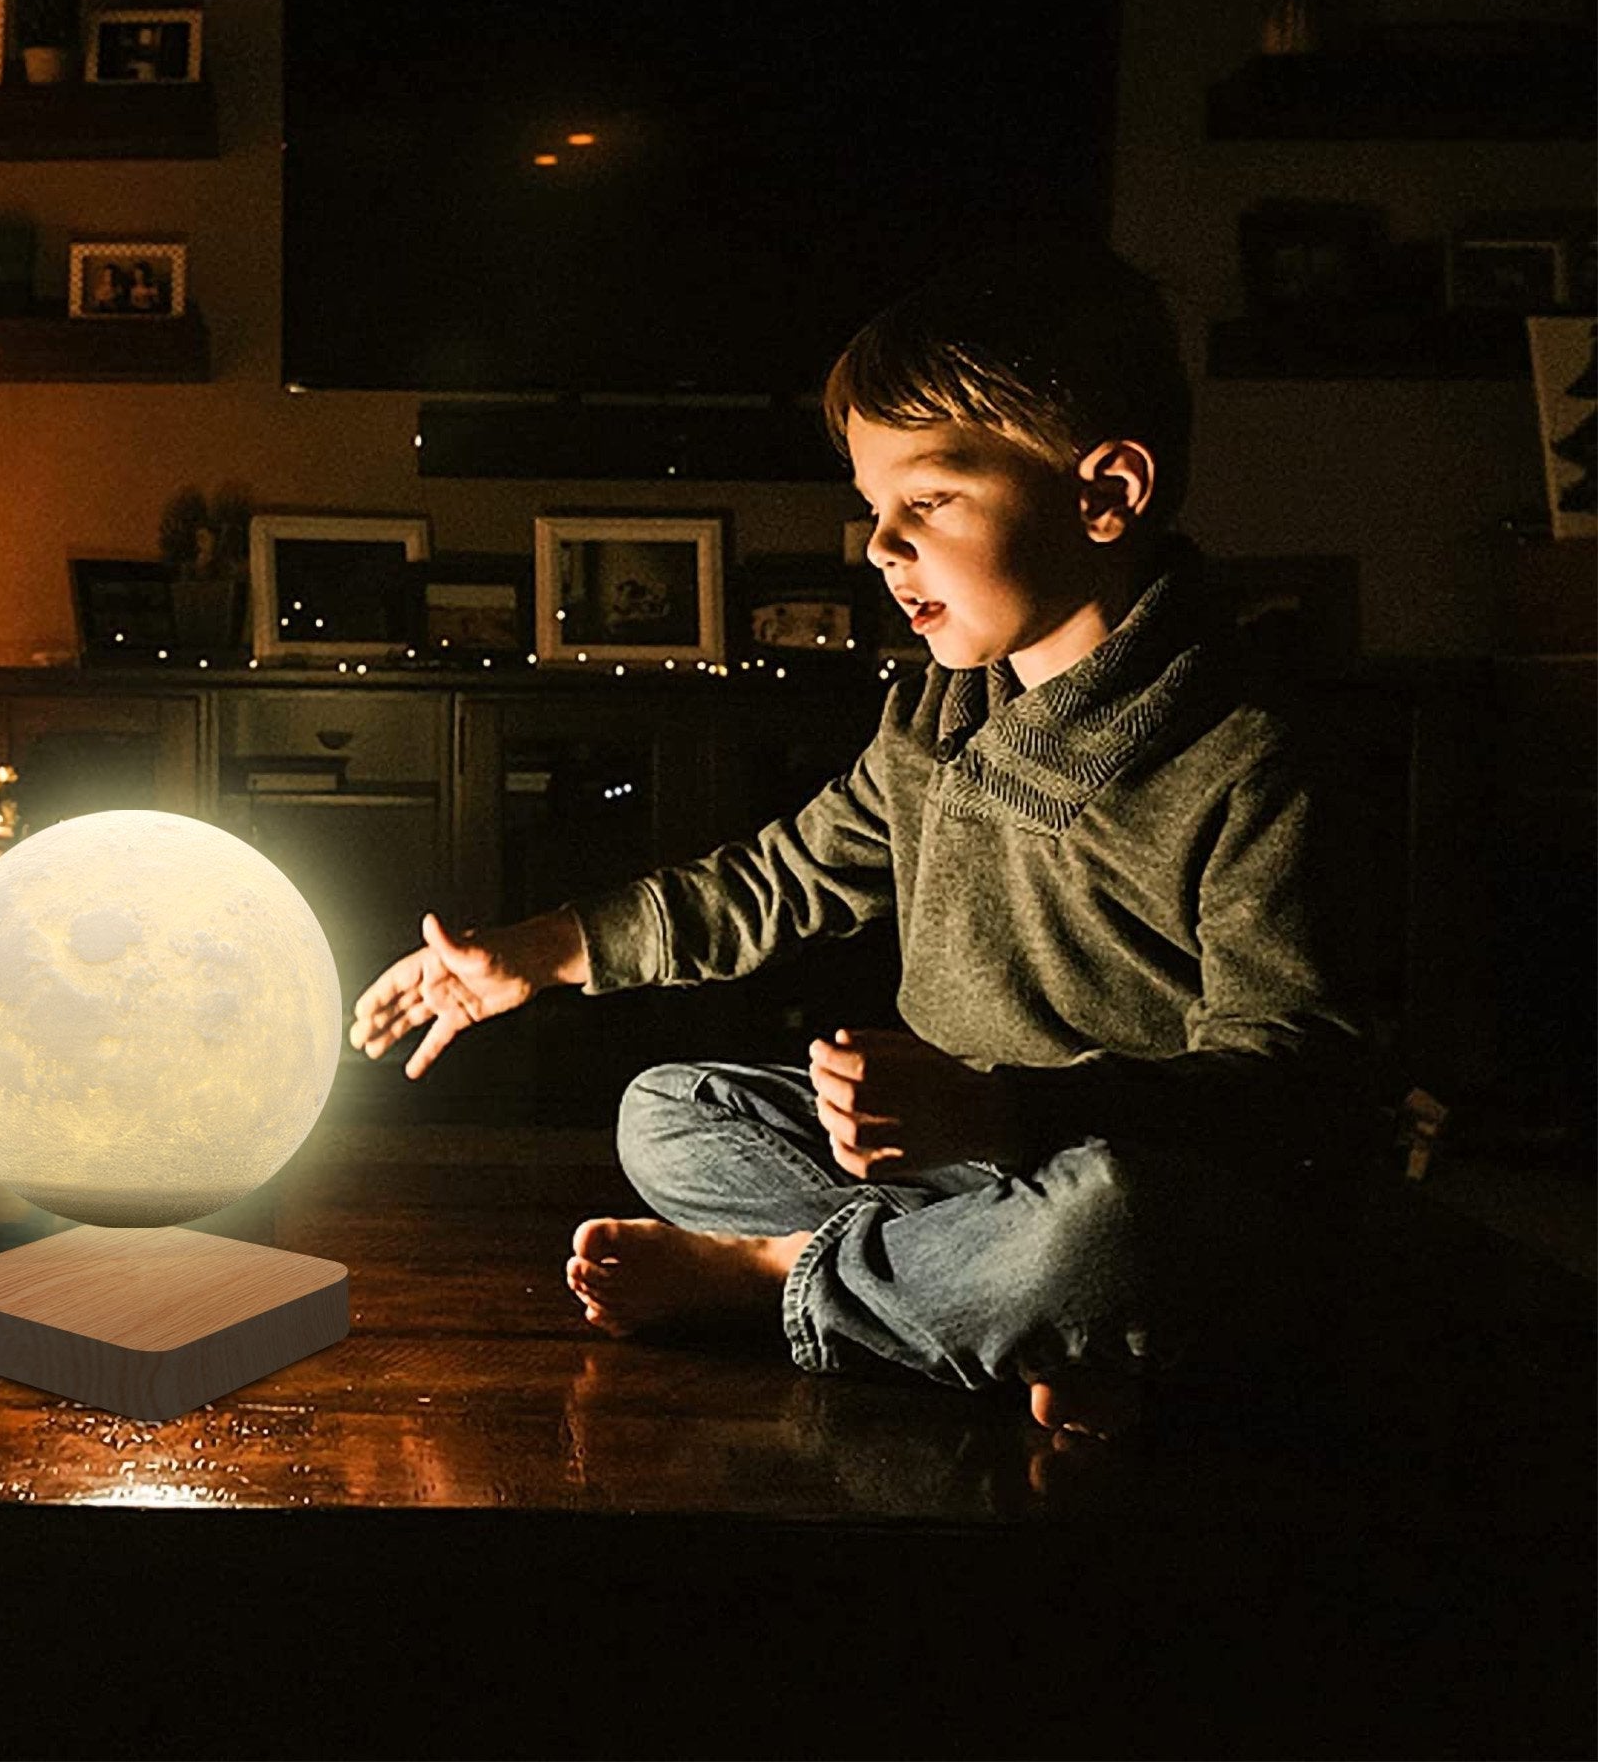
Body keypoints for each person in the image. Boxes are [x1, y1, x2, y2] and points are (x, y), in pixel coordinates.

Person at [348, 226, 1381, 1441]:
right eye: (872, 508)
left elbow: (1293, 1088)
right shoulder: (939, 718)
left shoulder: (1245, 753)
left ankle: (779, 1279)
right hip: (945, 1174)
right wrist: (542, 948)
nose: (881, 545)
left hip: (1110, 1168)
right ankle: (988, 1313)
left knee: (1113, 1231)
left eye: (927, 500)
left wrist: (1005, 1115)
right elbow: (776, 879)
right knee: (664, 1108)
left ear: (1104, 493)